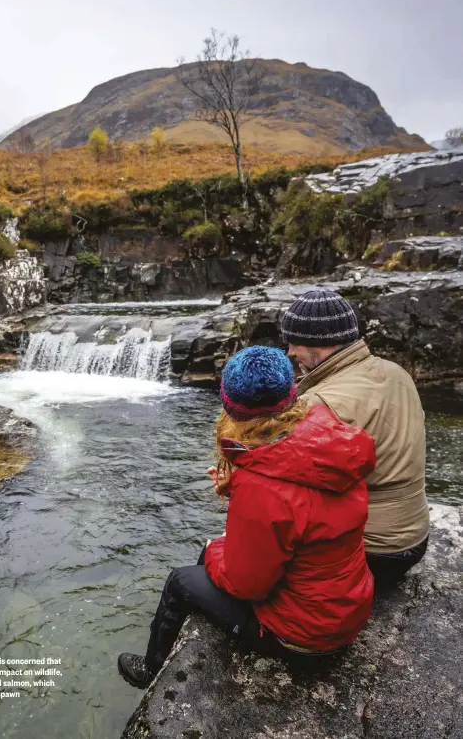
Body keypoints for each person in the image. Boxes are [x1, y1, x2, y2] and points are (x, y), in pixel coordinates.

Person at [117, 346, 376, 689]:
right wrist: (239, 486)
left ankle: (152, 672)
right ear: (291, 394)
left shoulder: (262, 486)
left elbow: (247, 586)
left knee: (181, 580)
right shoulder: (330, 437)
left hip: (303, 636)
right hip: (346, 610)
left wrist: (215, 550)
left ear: (231, 408)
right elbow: (302, 510)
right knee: (213, 554)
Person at [280, 288, 431, 584]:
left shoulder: (320, 402)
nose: (290, 352)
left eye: (294, 343)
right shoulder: (396, 373)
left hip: (370, 552)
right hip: (416, 539)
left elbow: (292, 491)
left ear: (318, 343)